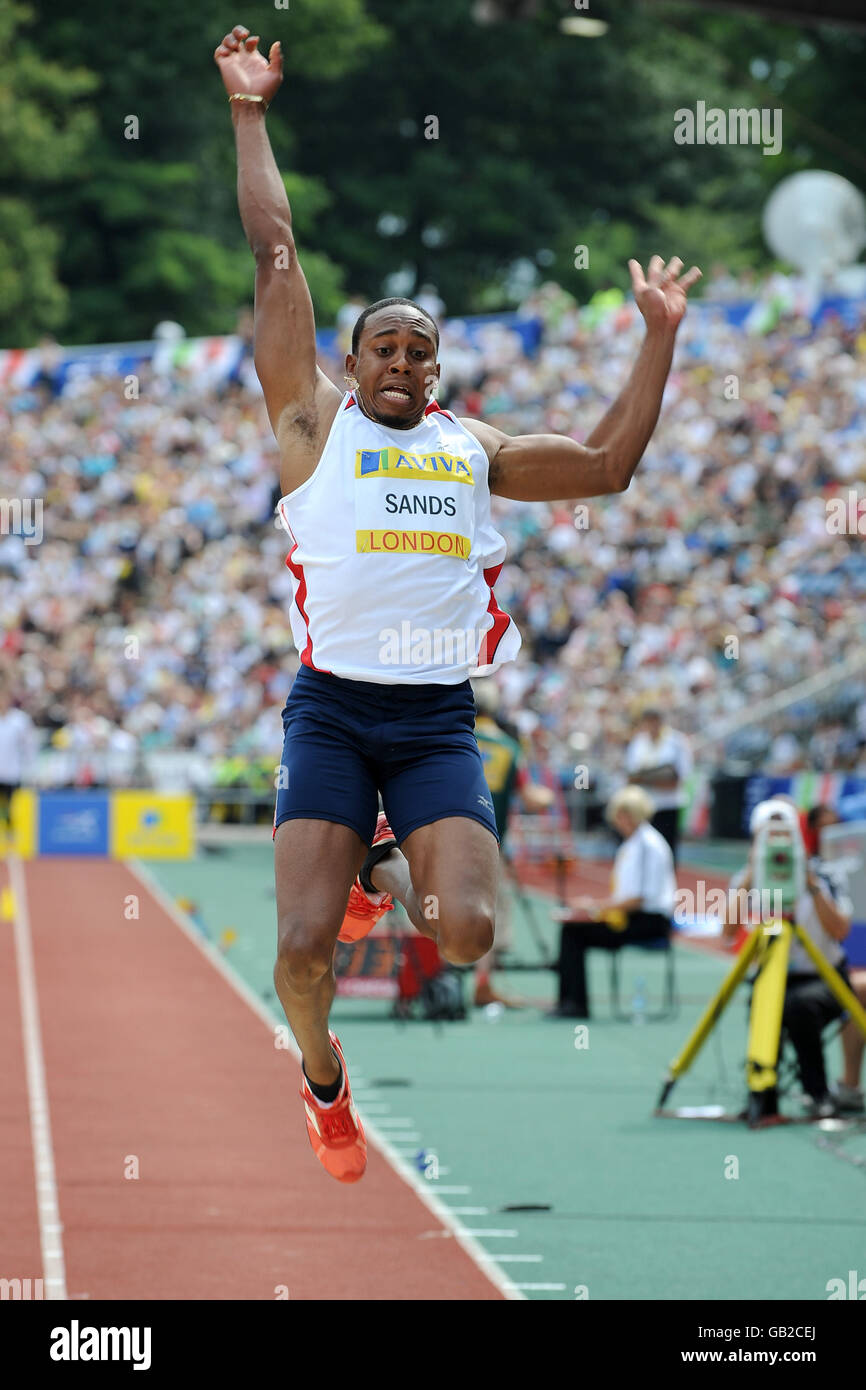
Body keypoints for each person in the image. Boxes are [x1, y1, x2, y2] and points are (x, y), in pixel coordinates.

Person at [214, 23, 702, 1182]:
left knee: (471, 932)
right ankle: (324, 1083)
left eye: (418, 352)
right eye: (380, 346)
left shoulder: (471, 448)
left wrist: (658, 341)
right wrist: (248, 113)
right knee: (295, 955)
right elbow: (276, 248)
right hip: (331, 710)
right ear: (349, 357)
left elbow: (603, 466)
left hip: (435, 717)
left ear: (436, 370)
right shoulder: (308, 426)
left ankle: (385, 870)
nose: (399, 362)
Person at [720, 799, 854, 1119]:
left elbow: (841, 930)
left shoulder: (823, 875)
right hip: (772, 974)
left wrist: (810, 885)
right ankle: (763, 1095)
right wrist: (754, 874)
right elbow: (727, 933)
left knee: (798, 1005)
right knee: (763, 1003)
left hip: (824, 978)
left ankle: (817, 1094)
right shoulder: (746, 879)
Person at [552, 786, 676, 1019]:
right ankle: (569, 1001)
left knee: (574, 933)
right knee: (572, 928)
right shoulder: (634, 844)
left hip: (649, 921)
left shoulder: (646, 845)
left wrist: (594, 909)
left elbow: (638, 899)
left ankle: (575, 1003)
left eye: (624, 814)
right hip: (635, 916)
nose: (619, 821)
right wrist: (593, 906)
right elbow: (625, 896)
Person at [472, 683, 553, 1006]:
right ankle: (483, 981)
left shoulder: (450, 739)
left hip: (438, 843)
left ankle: (433, 980)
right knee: (492, 909)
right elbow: (532, 798)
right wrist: (547, 796)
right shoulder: (508, 747)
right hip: (489, 844)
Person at [624, 707, 692, 863]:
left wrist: (649, 779)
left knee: (667, 851)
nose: (652, 725)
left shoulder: (676, 741)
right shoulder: (639, 742)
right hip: (643, 806)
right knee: (642, 852)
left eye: (655, 721)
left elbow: (680, 778)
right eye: (648, 722)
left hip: (668, 805)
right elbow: (631, 775)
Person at [0, 688, 39, 846]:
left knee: (10, 805)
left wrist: (30, 767)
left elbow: (29, 745)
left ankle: (10, 833)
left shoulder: (20, 720)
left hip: (11, 771)